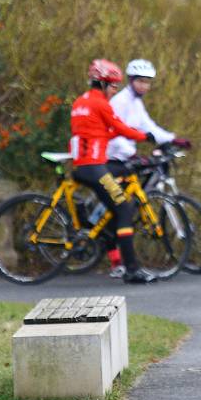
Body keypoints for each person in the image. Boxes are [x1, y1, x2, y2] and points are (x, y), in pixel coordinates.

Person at [69, 59, 156, 284]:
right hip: (94, 166)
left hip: (83, 164)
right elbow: (119, 127)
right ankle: (131, 269)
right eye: (113, 85)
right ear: (102, 83)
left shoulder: (80, 102)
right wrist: (144, 136)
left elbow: (97, 134)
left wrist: (115, 135)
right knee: (124, 208)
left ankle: (116, 258)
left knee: (113, 209)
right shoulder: (100, 103)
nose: (115, 90)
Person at [105, 59, 191, 277]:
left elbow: (148, 127)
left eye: (148, 83)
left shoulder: (136, 103)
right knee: (118, 208)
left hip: (124, 157)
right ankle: (116, 258)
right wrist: (133, 153)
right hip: (113, 157)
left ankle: (116, 256)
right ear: (132, 81)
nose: (145, 86)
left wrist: (173, 139)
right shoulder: (120, 102)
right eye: (141, 82)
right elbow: (113, 133)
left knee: (122, 205)